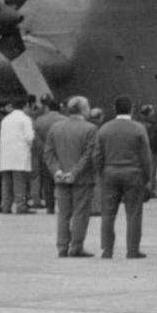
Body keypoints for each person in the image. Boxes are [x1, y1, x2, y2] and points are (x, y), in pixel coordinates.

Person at [93, 96, 153, 259]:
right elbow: (146, 156)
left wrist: (101, 172)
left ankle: (107, 249)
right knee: (133, 213)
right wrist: (147, 177)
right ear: (131, 109)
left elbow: (97, 155)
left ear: (114, 109)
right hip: (133, 173)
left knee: (108, 214)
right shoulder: (138, 129)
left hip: (110, 172)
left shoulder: (104, 129)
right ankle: (132, 250)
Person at [44, 96, 98, 258]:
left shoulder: (56, 127)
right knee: (80, 213)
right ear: (83, 110)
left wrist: (57, 171)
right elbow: (88, 155)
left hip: (61, 178)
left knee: (63, 213)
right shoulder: (91, 129)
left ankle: (62, 246)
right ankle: (76, 246)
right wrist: (74, 172)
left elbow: (48, 153)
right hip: (82, 178)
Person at [0, 97, 36, 214]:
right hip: (20, 155)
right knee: (20, 182)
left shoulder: (5, 119)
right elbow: (29, 137)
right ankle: (20, 206)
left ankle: (6, 206)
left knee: (6, 183)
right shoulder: (25, 119)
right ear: (25, 106)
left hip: (5, 155)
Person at [33, 99, 65, 214]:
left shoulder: (39, 120)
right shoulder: (64, 120)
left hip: (45, 155)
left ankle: (49, 207)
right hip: (61, 154)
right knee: (61, 180)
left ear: (48, 108)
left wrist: (44, 151)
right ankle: (63, 206)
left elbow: (36, 139)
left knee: (47, 181)